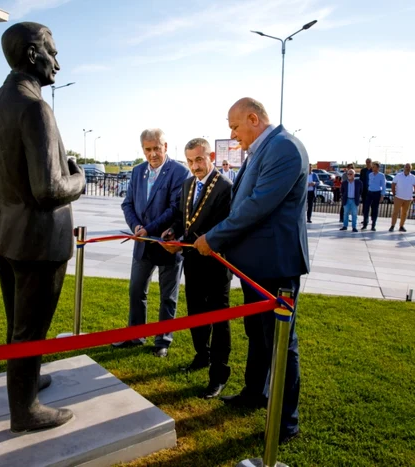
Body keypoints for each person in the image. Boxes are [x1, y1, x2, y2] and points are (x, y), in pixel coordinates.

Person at [0, 22, 85, 432]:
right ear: (31, 55)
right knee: (30, 326)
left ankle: (27, 379)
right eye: (52, 52)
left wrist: (1, 222)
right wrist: (79, 180)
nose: (57, 61)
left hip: (5, 235)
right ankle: (24, 411)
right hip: (38, 242)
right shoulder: (35, 107)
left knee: (19, 324)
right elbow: (49, 190)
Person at [193, 97, 309, 444]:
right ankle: (254, 393)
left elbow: (258, 206)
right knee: (257, 335)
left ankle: (285, 422)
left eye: (234, 127)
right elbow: (240, 202)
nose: (233, 135)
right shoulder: (265, 149)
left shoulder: (284, 148)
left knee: (280, 344)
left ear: (254, 118)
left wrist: (213, 238)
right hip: (254, 265)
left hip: (275, 264)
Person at [161, 138, 233, 399]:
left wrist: (183, 243)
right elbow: (184, 220)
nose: (195, 166)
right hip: (192, 262)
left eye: (199, 160)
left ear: (210, 155)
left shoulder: (225, 187)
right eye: (190, 161)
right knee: (195, 312)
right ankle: (201, 355)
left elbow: (222, 227)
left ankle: (219, 374)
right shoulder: (188, 184)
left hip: (216, 263)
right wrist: (173, 232)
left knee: (218, 317)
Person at [118, 128, 190, 357]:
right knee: (136, 290)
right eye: (148, 149)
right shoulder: (138, 171)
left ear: (165, 147)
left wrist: (148, 229)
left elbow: (174, 209)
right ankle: (136, 334)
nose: (153, 154)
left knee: (168, 295)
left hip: (168, 242)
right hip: (142, 242)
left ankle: (163, 341)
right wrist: (136, 227)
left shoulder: (180, 172)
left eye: (157, 148)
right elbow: (127, 204)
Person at [389, 163, 415, 232]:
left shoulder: (413, 177)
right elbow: (393, 184)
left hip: (408, 198)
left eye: (409, 167)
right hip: (398, 197)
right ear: (404, 168)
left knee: (404, 213)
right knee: (395, 212)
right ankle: (392, 225)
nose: (407, 168)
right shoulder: (398, 175)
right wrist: (394, 194)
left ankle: (401, 226)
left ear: (411, 169)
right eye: (406, 167)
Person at [361, 162, 385, 231]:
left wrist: (382, 195)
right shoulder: (370, 174)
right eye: (372, 167)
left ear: (378, 168)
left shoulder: (381, 175)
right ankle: (365, 224)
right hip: (369, 193)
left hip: (377, 193)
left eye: (374, 167)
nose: (373, 168)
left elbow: (383, 186)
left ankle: (373, 225)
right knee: (366, 209)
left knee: (375, 209)